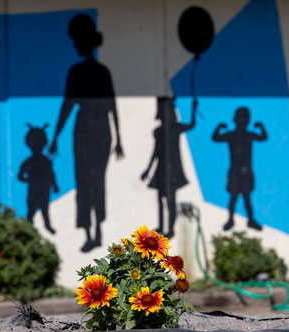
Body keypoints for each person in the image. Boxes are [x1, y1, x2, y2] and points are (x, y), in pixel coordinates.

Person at [49, 14, 123, 252]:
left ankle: (95, 229)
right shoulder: (91, 71)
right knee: (89, 180)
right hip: (93, 129)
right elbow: (68, 106)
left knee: (90, 180)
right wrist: (56, 136)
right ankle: (91, 230)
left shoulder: (91, 72)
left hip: (94, 129)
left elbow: (110, 105)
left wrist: (120, 139)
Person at [141, 97, 197, 239]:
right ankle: (161, 225)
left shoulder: (176, 127)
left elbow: (191, 125)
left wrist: (194, 108)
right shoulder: (159, 131)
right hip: (161, 169)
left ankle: (170, 229)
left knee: (171, 200)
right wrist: (147, 170)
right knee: (161, 199)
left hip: (173, 170)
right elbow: (155, 152)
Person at [212, 107, 267, 231]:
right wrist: (219, 127)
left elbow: (263, 137)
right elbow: (215, 138)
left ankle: (250, 220)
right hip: (235, 173)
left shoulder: (249, 135)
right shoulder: (231, 135)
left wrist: (261, 126)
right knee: (234, 197)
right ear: (235, 120)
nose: (242, 122)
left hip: (246, 172)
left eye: (244, 119)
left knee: (247, 198)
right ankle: (231, 219)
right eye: (240, 119)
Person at [18, 124, 58, 234]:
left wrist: (55, 185)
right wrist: (29, 180)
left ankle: (47, 225)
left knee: (44, 209)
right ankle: (28, 227)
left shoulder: (46, 161)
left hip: (44, 189)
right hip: (34, 190)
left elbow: (51, 173)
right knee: (32, 210)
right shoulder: (29, 162)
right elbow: (20, 176)